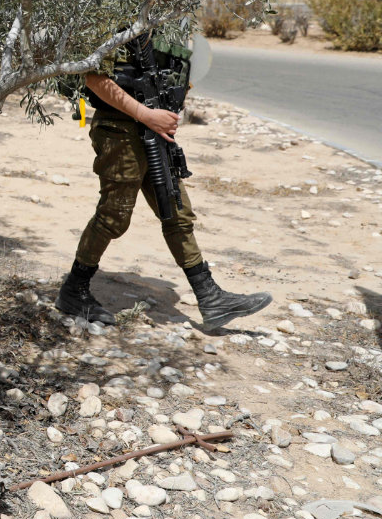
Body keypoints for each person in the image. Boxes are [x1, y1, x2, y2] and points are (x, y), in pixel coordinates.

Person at [56, 35, 272, 331]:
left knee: (177, 212)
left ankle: (210, 297)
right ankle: (73, 290)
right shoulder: (119, 13)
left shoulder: (168, 16)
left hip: (154, 131)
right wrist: (147, 115)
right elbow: (94, 78)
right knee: (114, 216)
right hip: (120, 130)